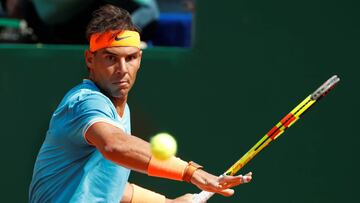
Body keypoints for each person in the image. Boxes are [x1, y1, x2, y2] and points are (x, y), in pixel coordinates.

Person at [29, 4, 253, 203]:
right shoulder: (85, 102)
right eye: (110, 58)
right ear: (90, 59)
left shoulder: (120, 111)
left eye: (130, 58)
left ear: (140, 60)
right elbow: (114, 145)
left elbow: (110, 188)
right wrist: (190, 172)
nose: (122, 69)